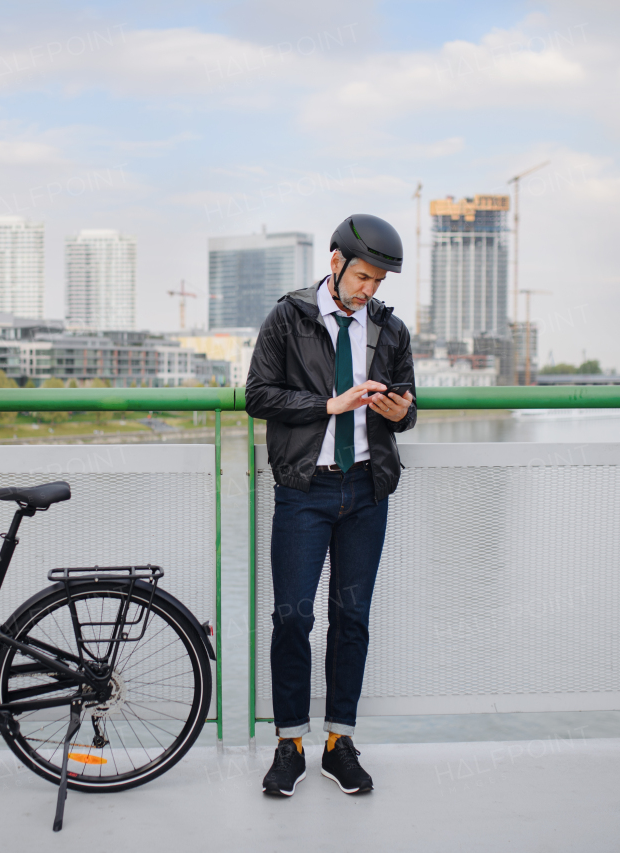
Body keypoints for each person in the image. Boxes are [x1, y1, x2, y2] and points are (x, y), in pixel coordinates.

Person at [245, 213, 416, 797]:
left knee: (353, 621)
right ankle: (289, 742)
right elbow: (258, 395)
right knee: (292, 617)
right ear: (336, 263)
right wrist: (330, 404)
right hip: (305, 490)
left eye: (380, 282)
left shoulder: (390, 331)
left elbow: (408, 407)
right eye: (365, 276)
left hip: (367, 490)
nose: (371, 290)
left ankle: (339, 742)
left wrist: (399, 411)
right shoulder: (288, 318)